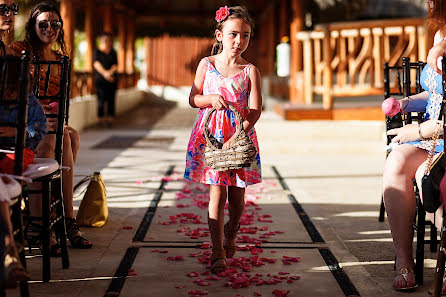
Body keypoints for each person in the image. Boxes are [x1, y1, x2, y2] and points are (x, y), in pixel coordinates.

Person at [184, 6, 262, 274]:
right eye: (232, 34)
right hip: (212, 139)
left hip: (239, 139)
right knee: (216, 193)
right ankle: (216, 249)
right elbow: (193, 98)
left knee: (238, 199)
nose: (239, 41)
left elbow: (255, 109)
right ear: (219, 35)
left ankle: (233, 228)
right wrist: (210, 99)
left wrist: (241, 131)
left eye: (245, 35)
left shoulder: (250, 71)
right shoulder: (207, 64)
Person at [10, 1, 92, 251]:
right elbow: (13, 92)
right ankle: (50, 223)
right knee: (60, 138)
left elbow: (60, 103)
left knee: (71, 135)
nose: (49, 28)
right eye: (43, 23)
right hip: (23, 122)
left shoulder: (59, 59)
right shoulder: (19, 50)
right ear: (32, 25)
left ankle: (61, 215)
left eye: (54, 24)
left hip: (49, 123)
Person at [383, 0, 446, 291]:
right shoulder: (439, 35)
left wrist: (416, 129)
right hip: (432, 136)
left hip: (439, 134)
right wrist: (406, 102)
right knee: (396, 161)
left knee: (425, 176)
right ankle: (404, 261)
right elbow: (435, 92)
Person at [93, 32, 118, 127]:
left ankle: (110, 120)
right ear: (102, 40)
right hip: (101, 80)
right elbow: (96, 64)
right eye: (105, 40)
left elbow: (115, 65)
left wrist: (109, 73)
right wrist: (105, 74)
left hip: (112, 80)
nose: (107, 42)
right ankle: (101, 119)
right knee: (101, 100)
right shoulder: (97, 52)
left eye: (108, 40)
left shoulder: (113, 52)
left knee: (111, 100)